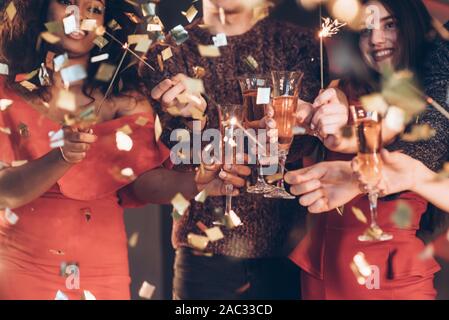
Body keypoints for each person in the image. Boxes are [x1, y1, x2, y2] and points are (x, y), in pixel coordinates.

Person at [0, 0, 248, 300]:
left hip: (105, 274)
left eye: (94, 8)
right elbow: (4, 192)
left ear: (108, 23)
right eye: (67, 2)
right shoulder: (6, 93)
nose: (80, 17)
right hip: (22, 272)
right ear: (39, 8)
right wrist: (61, 156)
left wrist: (200, 181)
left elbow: (144, 185)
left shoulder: (127, 98)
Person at [140, 0, 349, 300]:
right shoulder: (166, 53)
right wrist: (184, 120)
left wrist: (306, 122)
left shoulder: (299, 43)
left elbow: (306, 143)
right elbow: (164, 162)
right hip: (202, 257)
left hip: (286, 253)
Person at [284, 0, 449, 299]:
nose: (375, 39)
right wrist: (313, 118)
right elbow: (339, 120)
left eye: (390, 25)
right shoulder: (340, 91)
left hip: (392, 277)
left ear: (411, 28)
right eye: (366, 28)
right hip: (322, 272)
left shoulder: (436, 104)